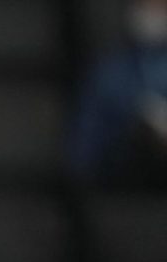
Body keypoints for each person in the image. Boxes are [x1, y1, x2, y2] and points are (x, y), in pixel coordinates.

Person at [69, 0, 167, 188]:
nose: (155, 12)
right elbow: (81, 155)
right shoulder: (109, 73)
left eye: (161, 7)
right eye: (147, 5)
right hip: (121, 191)